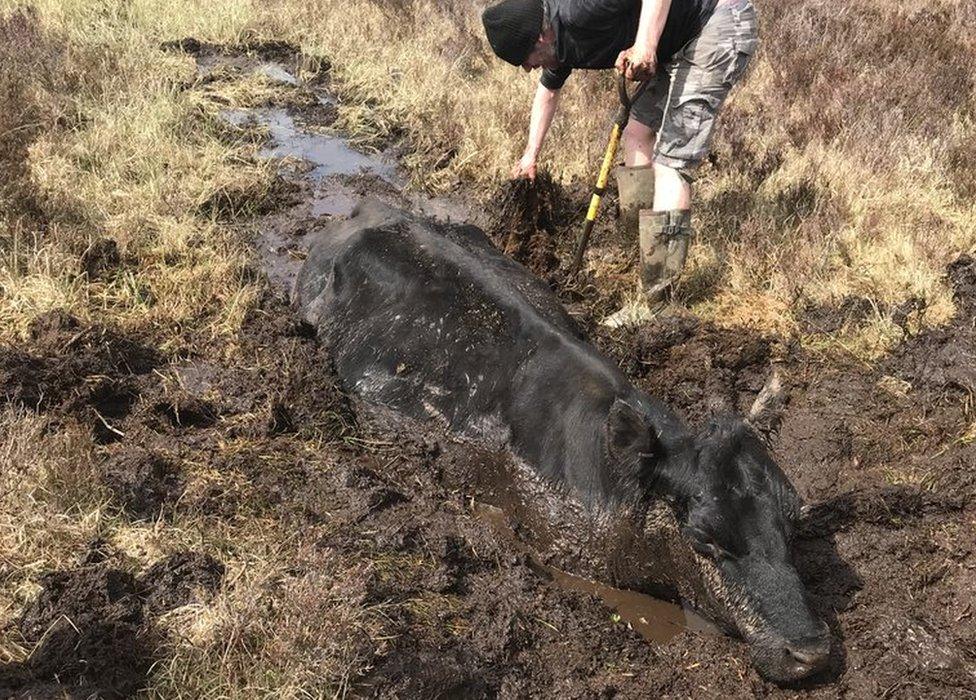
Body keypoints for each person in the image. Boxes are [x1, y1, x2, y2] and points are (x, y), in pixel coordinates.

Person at [482, 0, 758, 323]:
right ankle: (637, 250)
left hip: (716, 24)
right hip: (677, 37)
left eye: (524, 60)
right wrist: (530, 154)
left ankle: (658, 303)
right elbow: (548, 91)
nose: (528, 69)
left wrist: (645, 44)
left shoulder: (579, 9)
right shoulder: (557, 40)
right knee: (635, 133)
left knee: (671, 162)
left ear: (540, 37)